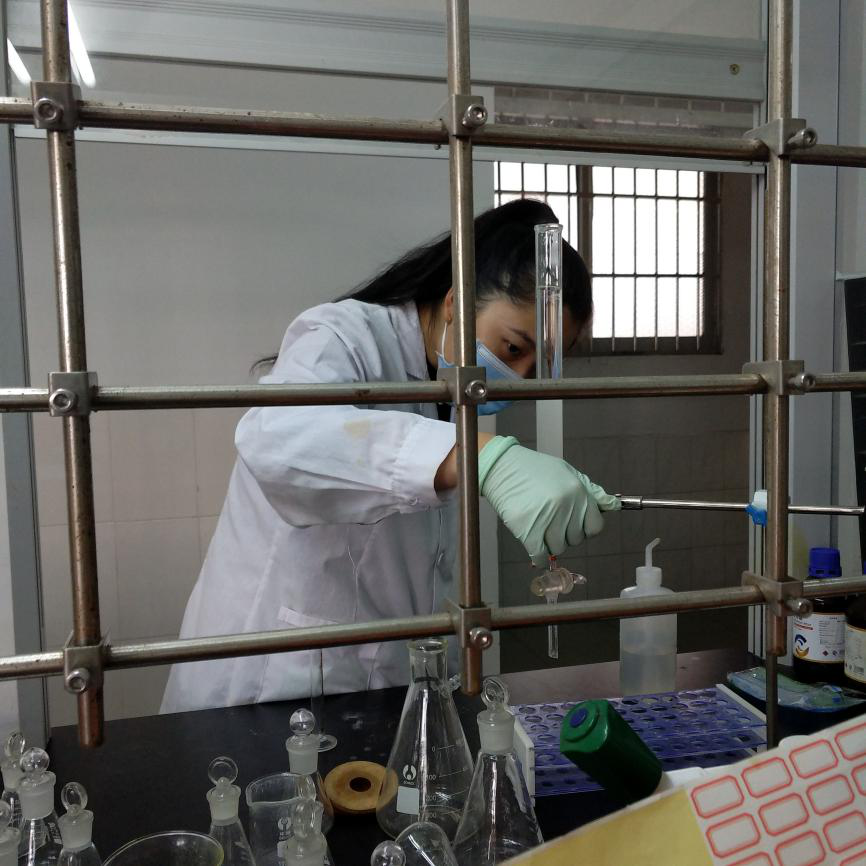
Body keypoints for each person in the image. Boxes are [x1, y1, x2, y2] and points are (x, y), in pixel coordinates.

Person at [160, 199, 619, 713]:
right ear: (455, 301)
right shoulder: (344, 337)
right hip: (270, 679)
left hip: (377, 681)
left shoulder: (448, 383)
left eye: (535, 367)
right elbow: (278, 442)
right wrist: (478, 456)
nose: (517, 376)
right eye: (513, 348)